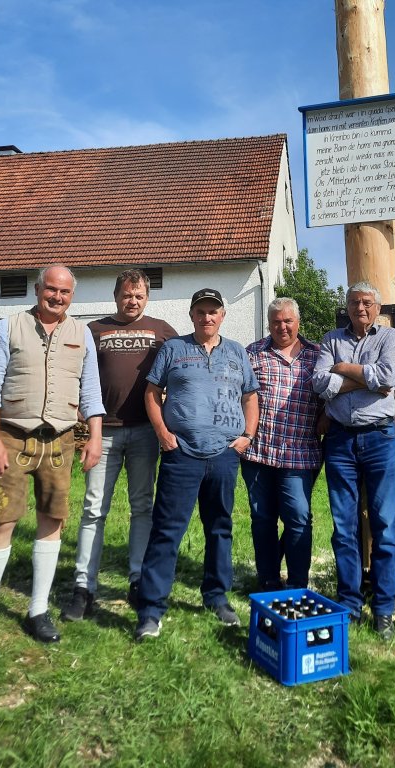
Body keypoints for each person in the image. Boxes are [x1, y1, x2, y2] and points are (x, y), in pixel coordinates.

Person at [0, 265, 105, 654]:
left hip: (60, 441)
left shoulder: (82, 334)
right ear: (37, 289)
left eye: (65, 292)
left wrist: (95, 437)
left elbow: (91, 390)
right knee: (1, 520)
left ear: (72, 296)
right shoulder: (8, 327)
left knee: (52, 520)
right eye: (51, 289)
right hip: (12, 438)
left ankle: (38, 610)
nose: (57, 297)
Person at [134, 288, 259, 640]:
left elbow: (250, 396)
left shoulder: (236, 352)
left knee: (219, 527)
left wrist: (247, 436)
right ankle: (151, 609)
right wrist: (163, 433)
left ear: (222, 316)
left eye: (213, 311)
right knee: (166, 531)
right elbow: (151, 393)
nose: (207, 317)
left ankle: (216, 597)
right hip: (182, 453)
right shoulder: (173, 349)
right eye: (201, 311)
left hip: (224, 455)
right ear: (192, 315)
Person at [62, 269, 177, 620]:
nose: (133, 301)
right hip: (104, 432)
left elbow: (181, 371)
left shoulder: (162, 331)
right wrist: (80, 410)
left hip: (145, 432)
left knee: (142, 506)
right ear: (115, 296)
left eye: (139, 295)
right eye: (127, 295)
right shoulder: (94, 330)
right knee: (93, 508)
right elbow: (73, 372)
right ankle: (83, 587)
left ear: (147, 298)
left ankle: (138, 580)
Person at [312, 282, 395, 639]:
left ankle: (383, 609)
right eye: (353, 302)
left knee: (384, 525)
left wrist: (344, 368)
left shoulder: (390, 338)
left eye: (366, 302)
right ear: (347, 306)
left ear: (376, 307)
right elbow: (319, 384)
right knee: (343, 526)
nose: (360, 308)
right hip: (339, 439)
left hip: (379, 437)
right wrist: (364, 378)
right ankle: (349, 603)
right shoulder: (330, 339)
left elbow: (388, 377)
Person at [242, 297, 323, 590]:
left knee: (298, 518)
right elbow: (240, 396)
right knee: (262, 518)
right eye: (276, 321)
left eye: (288, 321)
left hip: (300, 453)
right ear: (269, 323)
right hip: (259, 452)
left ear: (297, 322)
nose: (282, 327)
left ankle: (298, 583)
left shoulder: (317, 355)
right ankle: (268, 580)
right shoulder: (253, 353)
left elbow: (330, 395)